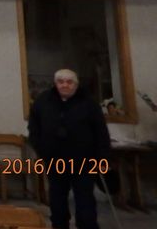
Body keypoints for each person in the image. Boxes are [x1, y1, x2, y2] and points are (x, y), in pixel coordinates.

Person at [27, 69, 111, 229]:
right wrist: (42, 150)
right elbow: (34, 128)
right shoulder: (43, 101)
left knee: (85, 202)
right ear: (55, 83)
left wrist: (103, 159)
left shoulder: (89, 103)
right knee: (57, 200)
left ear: (76, 84)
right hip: (55, 160)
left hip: (84, 161)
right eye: (60, 81)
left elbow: (101, 132)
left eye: (69, 82)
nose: (64, 85)